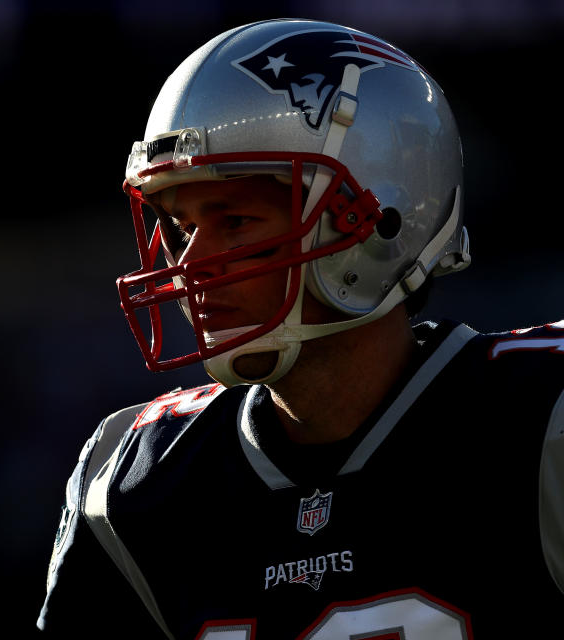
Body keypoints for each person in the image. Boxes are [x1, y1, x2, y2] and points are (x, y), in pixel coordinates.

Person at [36, 18, 564, 639]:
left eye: (233, 219)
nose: (189, 265)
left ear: (377, 221)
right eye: (181, 227)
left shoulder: (542, 425)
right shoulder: (135, 485)